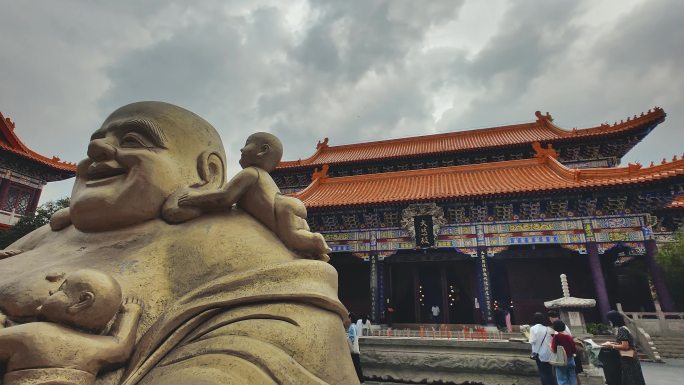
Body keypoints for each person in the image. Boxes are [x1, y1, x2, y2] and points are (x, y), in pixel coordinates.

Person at [0, 102, 359, 385]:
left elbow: (259, 358)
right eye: (97, 140)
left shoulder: (235, 245)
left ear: (209, 175)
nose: (96, 148)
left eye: (132, 142)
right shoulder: (46, 233)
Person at [167, 132, 331, 261]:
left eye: (246, 145)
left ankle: (316, 240)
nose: (241, 149)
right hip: (288, 205)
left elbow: (224, 198)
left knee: (292, 237)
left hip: (282, 209)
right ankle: (313, 249)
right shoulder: (266, 177)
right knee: (295, 238)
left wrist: (193, 198)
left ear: (263, 151)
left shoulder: (250, 173)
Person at [0, 270, 142, 385]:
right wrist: (130, 313)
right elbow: (121, 347)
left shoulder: (35, 333)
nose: (51, 292)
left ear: (80, 302)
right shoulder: (93, 346)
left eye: (61, 289)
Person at [602, 311, 646, 385]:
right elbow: (624, 343)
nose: (609, 321)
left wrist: (611, 346)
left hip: (628, 358)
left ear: (613, 319)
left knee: (630, 379)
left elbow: (625, 346)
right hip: (631, 357)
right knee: (635, 378)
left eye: (610, 319)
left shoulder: (621, 329)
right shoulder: (624, 328)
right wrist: (613, 343)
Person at [529, 312, 554, 385]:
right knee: (549, 372)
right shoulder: (548, 328)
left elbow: (532, 341)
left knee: (542, 372)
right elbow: (552, 339)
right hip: (548, 353)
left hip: (538, 353)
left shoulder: (533, 329)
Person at [551, 320, 577, 385]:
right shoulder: (569, 336)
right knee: (572, 377)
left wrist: (549, 346)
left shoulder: (556, 337)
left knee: (562, 379)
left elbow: (554, 349)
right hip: (571, 359)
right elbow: (574, 349)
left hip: (561, 360)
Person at [347, 313, 364, 384]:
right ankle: (360, 380)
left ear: (350, 318)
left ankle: (360, 380)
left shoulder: (351, 327)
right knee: (357, 365)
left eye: (348, 318)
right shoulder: (355, 326)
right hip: (356, 348)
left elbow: (351, 338)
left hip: (353, 350)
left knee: (356, 366)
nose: (348, 319)